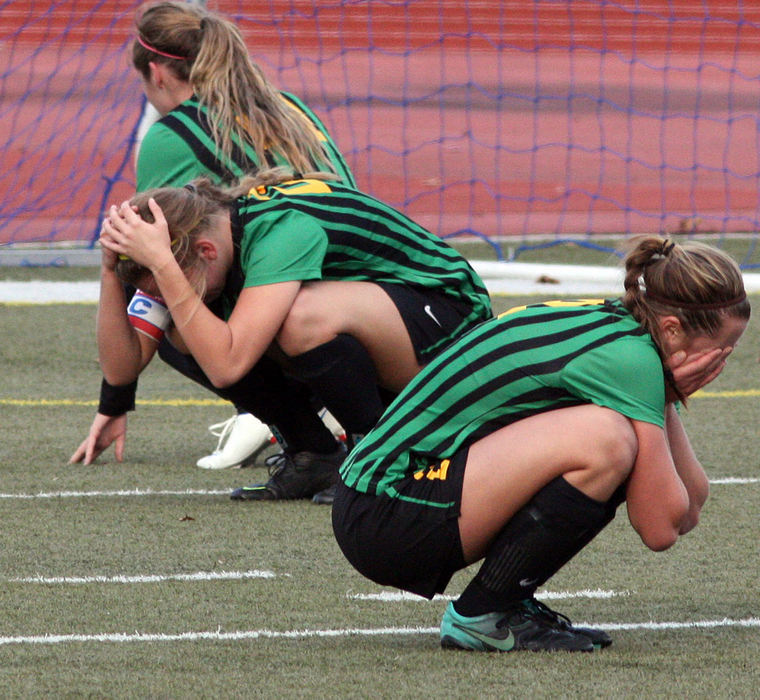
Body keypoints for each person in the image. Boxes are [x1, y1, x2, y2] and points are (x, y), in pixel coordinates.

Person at [332, 236, 749, 652]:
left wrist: (663, 395)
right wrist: (658, 390)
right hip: (385, 514)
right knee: (606, 439)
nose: (719, 365)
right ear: (672, 329)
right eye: (719, 352)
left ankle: (503, 603)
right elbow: (660, 529)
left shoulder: (621, 328)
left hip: (377, 506)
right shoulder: (631, 360)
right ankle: (483, 613)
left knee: (615, 436)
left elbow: (690, 507)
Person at [69, 0, 356, 475]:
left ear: (157, 74)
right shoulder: (290, 108)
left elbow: (142, 254)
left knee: (176, 306)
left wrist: (114, 398)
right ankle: (333, 406)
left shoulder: (173, 135)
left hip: (301, 313)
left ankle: (304, 431)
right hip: (366, 297)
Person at [96, 168, 493, 503]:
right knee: (185, 332)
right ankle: (314, 455)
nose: (163, 293)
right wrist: (110, 272)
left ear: (206, 251)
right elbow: (121, 369)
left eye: (165, 279)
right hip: (392, 332)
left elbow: (226, 365)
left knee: (297, 319)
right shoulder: (199, 252)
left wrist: (164, 266)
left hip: (455, 331)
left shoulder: (278, 230)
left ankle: (382, 456)